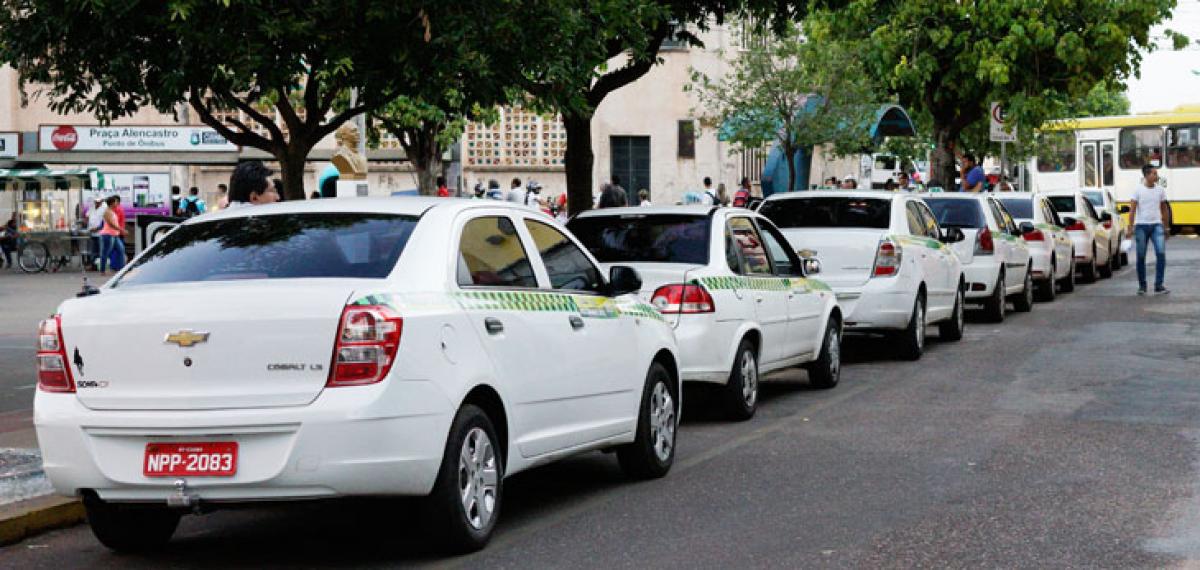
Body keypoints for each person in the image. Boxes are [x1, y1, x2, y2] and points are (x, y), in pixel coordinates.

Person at [1129, 164, 1171, 295]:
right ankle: (1142, 286)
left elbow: (1164, 209)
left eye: (1156, 173)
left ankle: (1159, 285)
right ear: (1146, 175)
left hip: (1156, 225)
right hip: (1141, 226)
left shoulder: (1160, 190)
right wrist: (1130, 227)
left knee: (1161, 254)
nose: (1156, 176)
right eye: (1154, 173)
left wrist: (1166, 227)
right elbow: (1132, 210)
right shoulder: (1138, 190)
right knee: (1141, 256)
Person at [98, 196, 127, 275]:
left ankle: (121, 268)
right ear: (112, 203)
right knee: (105, 253)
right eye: (115, 202)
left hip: (114, 235)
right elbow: (111, 224)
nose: (117, 203)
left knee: (121, 250)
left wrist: (120, 230)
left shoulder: (112, 211)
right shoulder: (107, 212)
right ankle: (102, 270)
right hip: (108, 235)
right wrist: (121, 230)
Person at [86, 197, 107, 269]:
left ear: (102, 201)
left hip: (101, 233)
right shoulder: (92, 207)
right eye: (96, 201)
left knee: (101, 251)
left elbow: (104, 222)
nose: (97, 203)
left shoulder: (104, 209)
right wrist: (88, 225)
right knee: (93, 251)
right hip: (92, 233)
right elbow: (87, 216)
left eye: (98, 201)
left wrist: (97, 228)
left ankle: (101, 266)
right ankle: (93, 265)